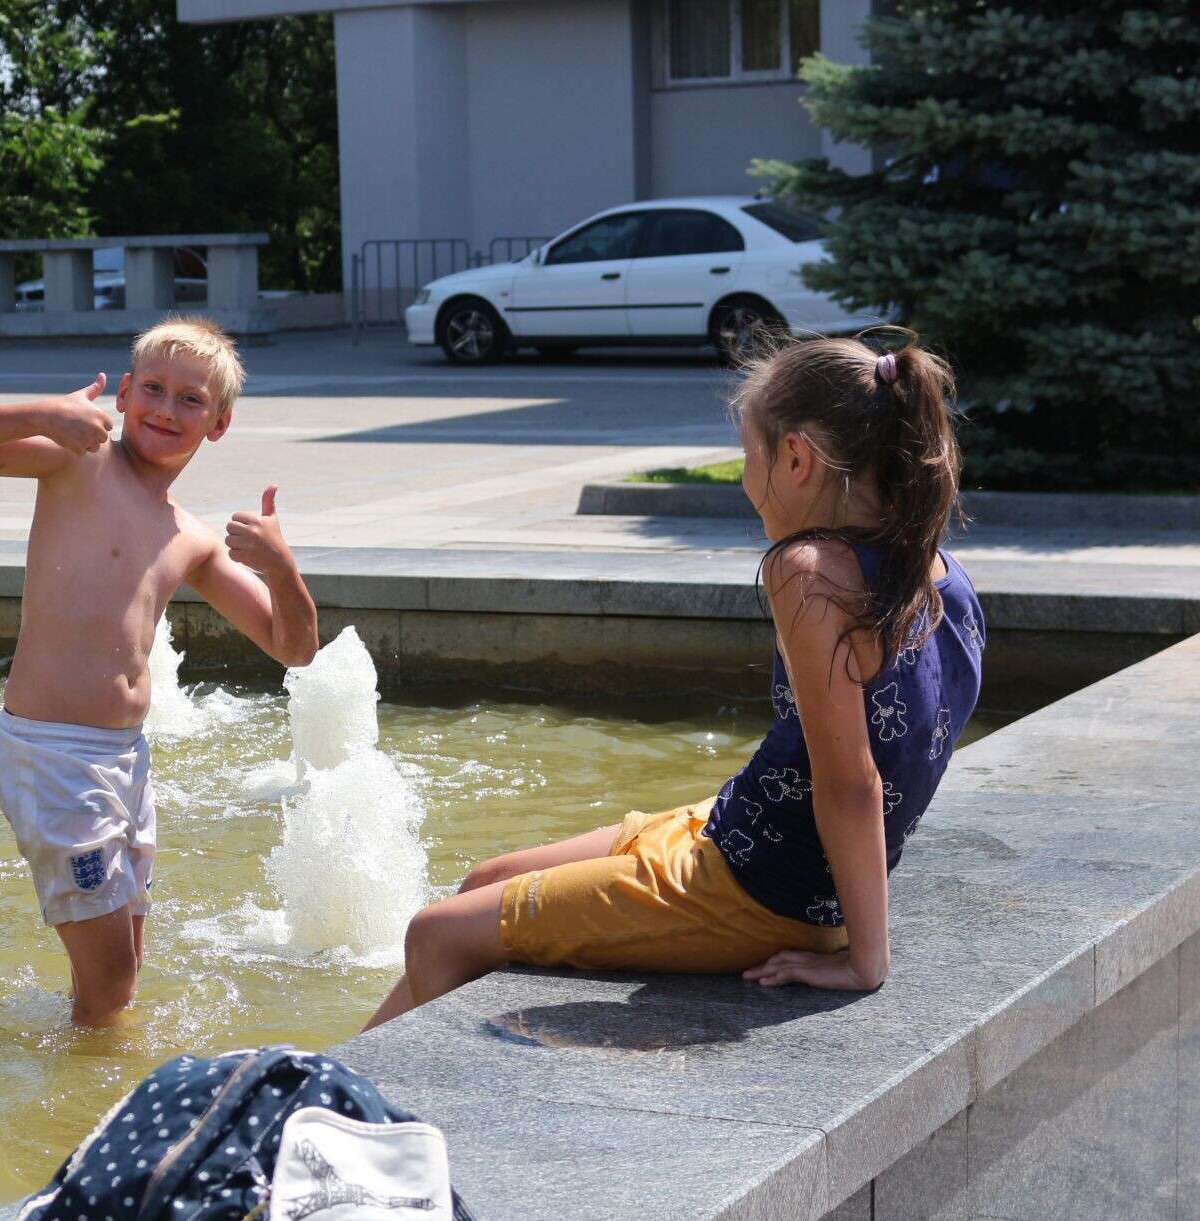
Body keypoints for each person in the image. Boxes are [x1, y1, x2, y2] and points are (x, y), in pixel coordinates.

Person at [366, 331, 983, 1029]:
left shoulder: (808, 573)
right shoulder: (939, 572)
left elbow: (854, 782)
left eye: (750, 453)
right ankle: (318, 1078)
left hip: (757, 891)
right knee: (484, 881)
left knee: (436, 933)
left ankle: (342, 1119)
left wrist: (864, 960)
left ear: (796, 458)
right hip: (749, 837)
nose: (749, 481)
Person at [0, 318, 319, 1027]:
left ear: (219, 424)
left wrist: (283, 569)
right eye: (154, 390)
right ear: (125, 393)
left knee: (118, 978)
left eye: (191, 400)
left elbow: (294, 648)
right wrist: (43, 412)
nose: (167, 409)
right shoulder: (79, 458)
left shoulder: (189, 535)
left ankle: (80, 1087)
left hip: (124, 764)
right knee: (112, 985)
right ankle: (86, 1113)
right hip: (52, 754)